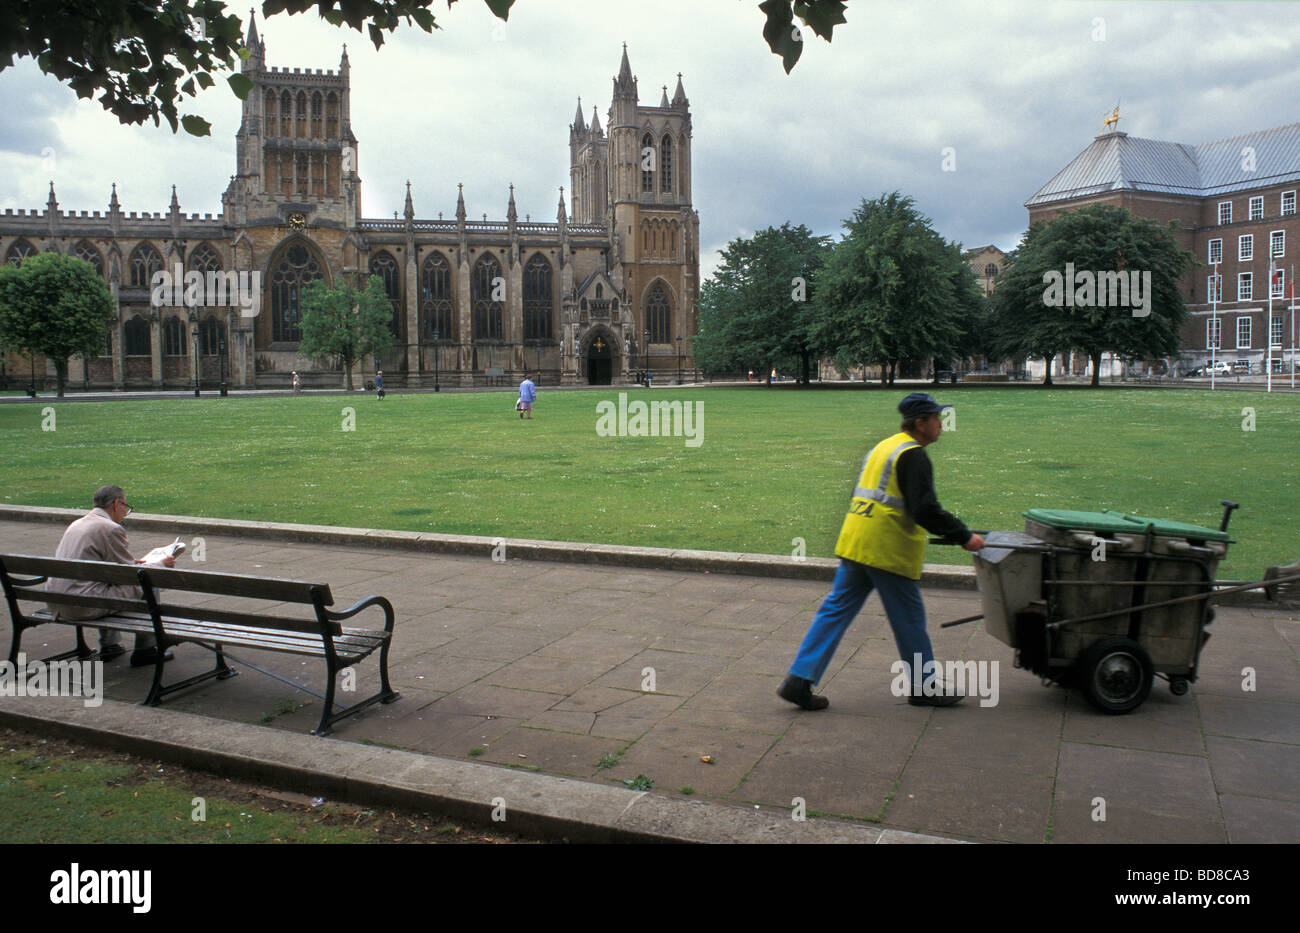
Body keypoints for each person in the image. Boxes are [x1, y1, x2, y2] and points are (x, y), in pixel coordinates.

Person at [779, 393, 986, 710]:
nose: (940, 424)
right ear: (921, 423)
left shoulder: (884, 447)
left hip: (857, 540)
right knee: (910, 619)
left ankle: (799, 679)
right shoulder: (913, 455)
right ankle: (924, 686)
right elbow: (925, 509)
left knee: (834, 612)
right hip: (887, 549)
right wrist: (964, 536)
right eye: (936, 418)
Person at [45, 485, 175, 667]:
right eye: (125, 506)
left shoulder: (78, 524)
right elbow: (131, 575)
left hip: (57, 602)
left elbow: (110, 564)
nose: (125, 512)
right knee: (147, 583)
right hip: (81, 605)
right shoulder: (110, 528)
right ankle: (146, 650)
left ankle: (110, 646)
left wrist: (136, 563)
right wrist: (161, 563)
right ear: (116, 504)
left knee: (106, 584)